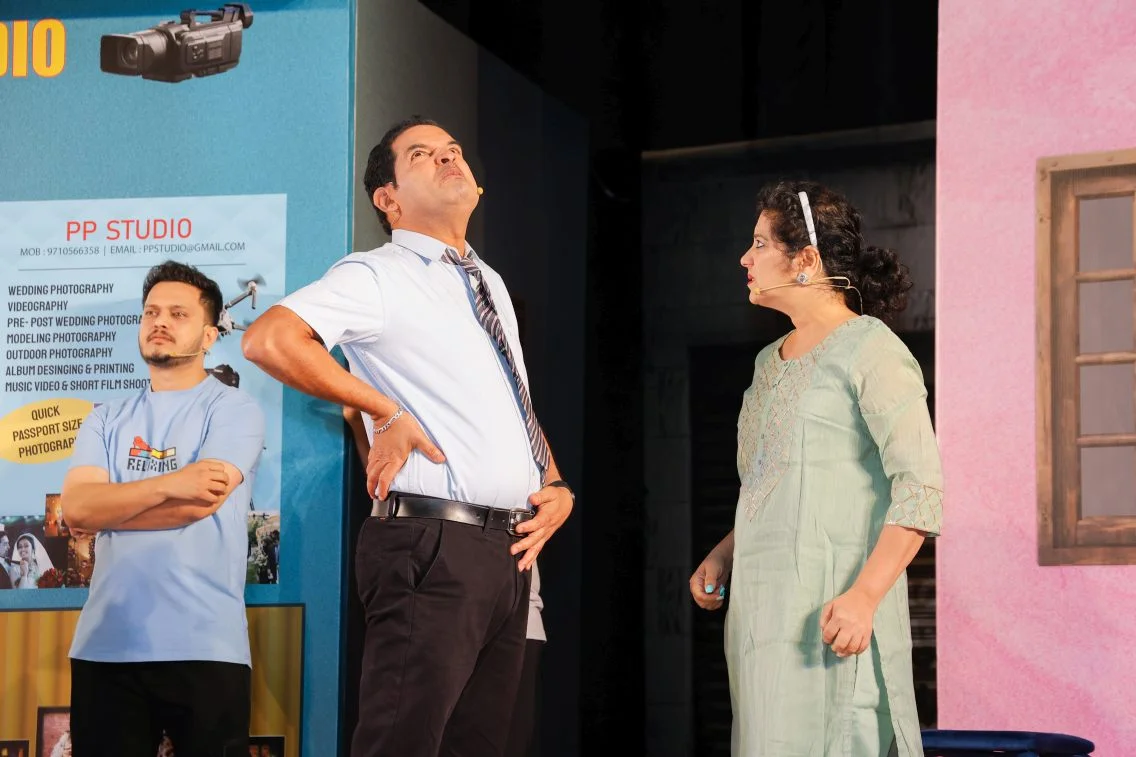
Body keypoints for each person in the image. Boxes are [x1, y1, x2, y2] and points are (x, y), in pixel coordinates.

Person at [242, 116, 574, 757]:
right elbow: (268, 339)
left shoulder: (488, 281)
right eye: (422, 154)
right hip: (433, 542)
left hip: (507, 550)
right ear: (388, 198)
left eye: (453, 150)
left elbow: (513, 406)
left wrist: (554, 483)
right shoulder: (377, 274)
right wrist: (384, 410)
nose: (448, 158)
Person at [690, 180, 943, 757]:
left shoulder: (871, 348)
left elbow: (920, 487)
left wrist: (865, 597)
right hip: (761, 621)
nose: (745, 258)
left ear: (805, 260)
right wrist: (725, 553)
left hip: (835, 615)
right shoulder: (767, 364)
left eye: (760, 244)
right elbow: (768, 485)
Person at [61, 260, 266, 756]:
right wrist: (173, 481)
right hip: (106, 647)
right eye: (151, 312)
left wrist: (110, 508)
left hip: (206, 645)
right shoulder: (104, 419)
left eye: (178, 313)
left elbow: (199, 503)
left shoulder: (234, 409)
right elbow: (77, 510)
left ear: (210, 335)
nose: (160, 322)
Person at [342, 406, 547, 757]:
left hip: (517, 600)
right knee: (408, 734)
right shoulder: (422, 401)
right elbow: (383, 478)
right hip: (446, 572)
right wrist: (368, 418)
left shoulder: (507, 403)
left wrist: (561, 490)